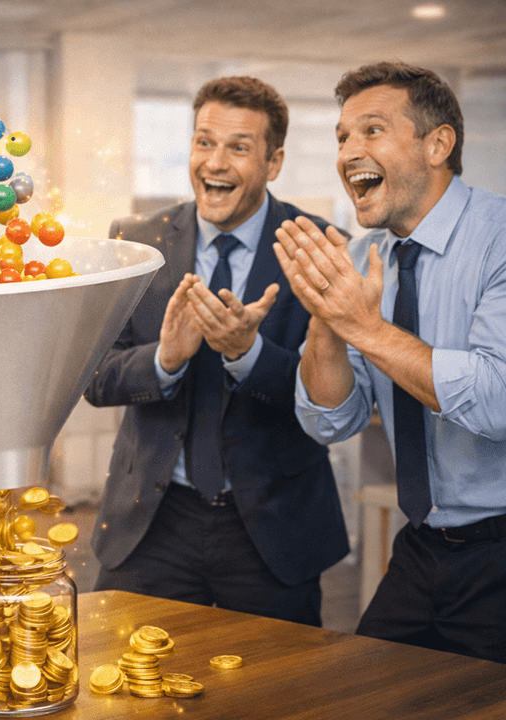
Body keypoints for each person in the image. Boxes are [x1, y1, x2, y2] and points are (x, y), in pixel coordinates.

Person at [84, 76, 350, 626]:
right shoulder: (135, 242)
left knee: (276, 699)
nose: (215, 162)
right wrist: (166, 358)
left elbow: (334, 401)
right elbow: (94, 378)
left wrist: (248, 353)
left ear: (273, 162)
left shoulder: (318, 246)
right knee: (126, 698)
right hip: (151, 525)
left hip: (273, 530)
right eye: (204, 142)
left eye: (239, 147)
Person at [273, 61, 506, 663]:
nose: (350, 150)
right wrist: (326, 318)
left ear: (438, 144)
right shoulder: (363, 255)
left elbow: (496, 398)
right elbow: (330, 421)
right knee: (365, 691)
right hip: (424, 547)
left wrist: (364, 327)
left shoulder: (500, 238)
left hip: (502, 547)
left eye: (371, 131)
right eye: (342, 137)